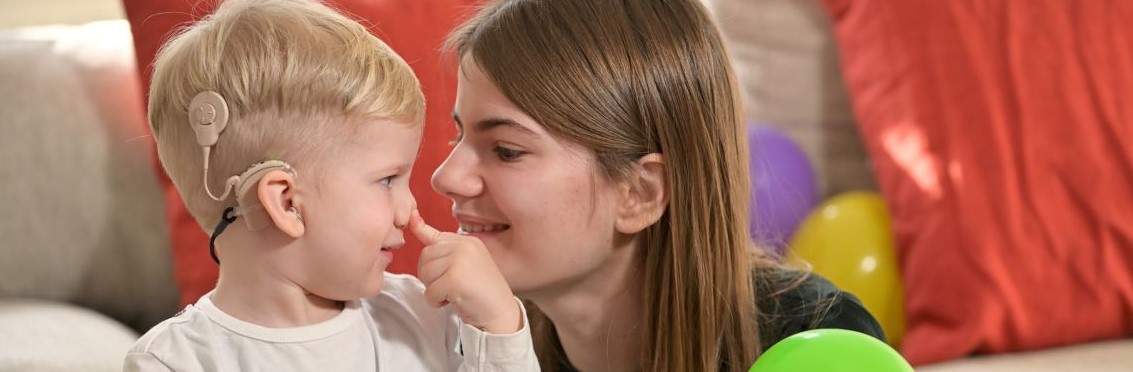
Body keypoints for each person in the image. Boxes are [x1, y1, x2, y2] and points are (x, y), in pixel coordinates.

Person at [429, 0, 885, 370]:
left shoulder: (816, 338)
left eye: (507, 150)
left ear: (640, 192)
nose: (445, 177)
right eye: (459, 135)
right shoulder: (476, 340)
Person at [124, 0, 538, 370]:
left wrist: (500, 327)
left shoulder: (427, 316)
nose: (409, 207)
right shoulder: (172, 361)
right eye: (388, 180)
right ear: (285, 202)